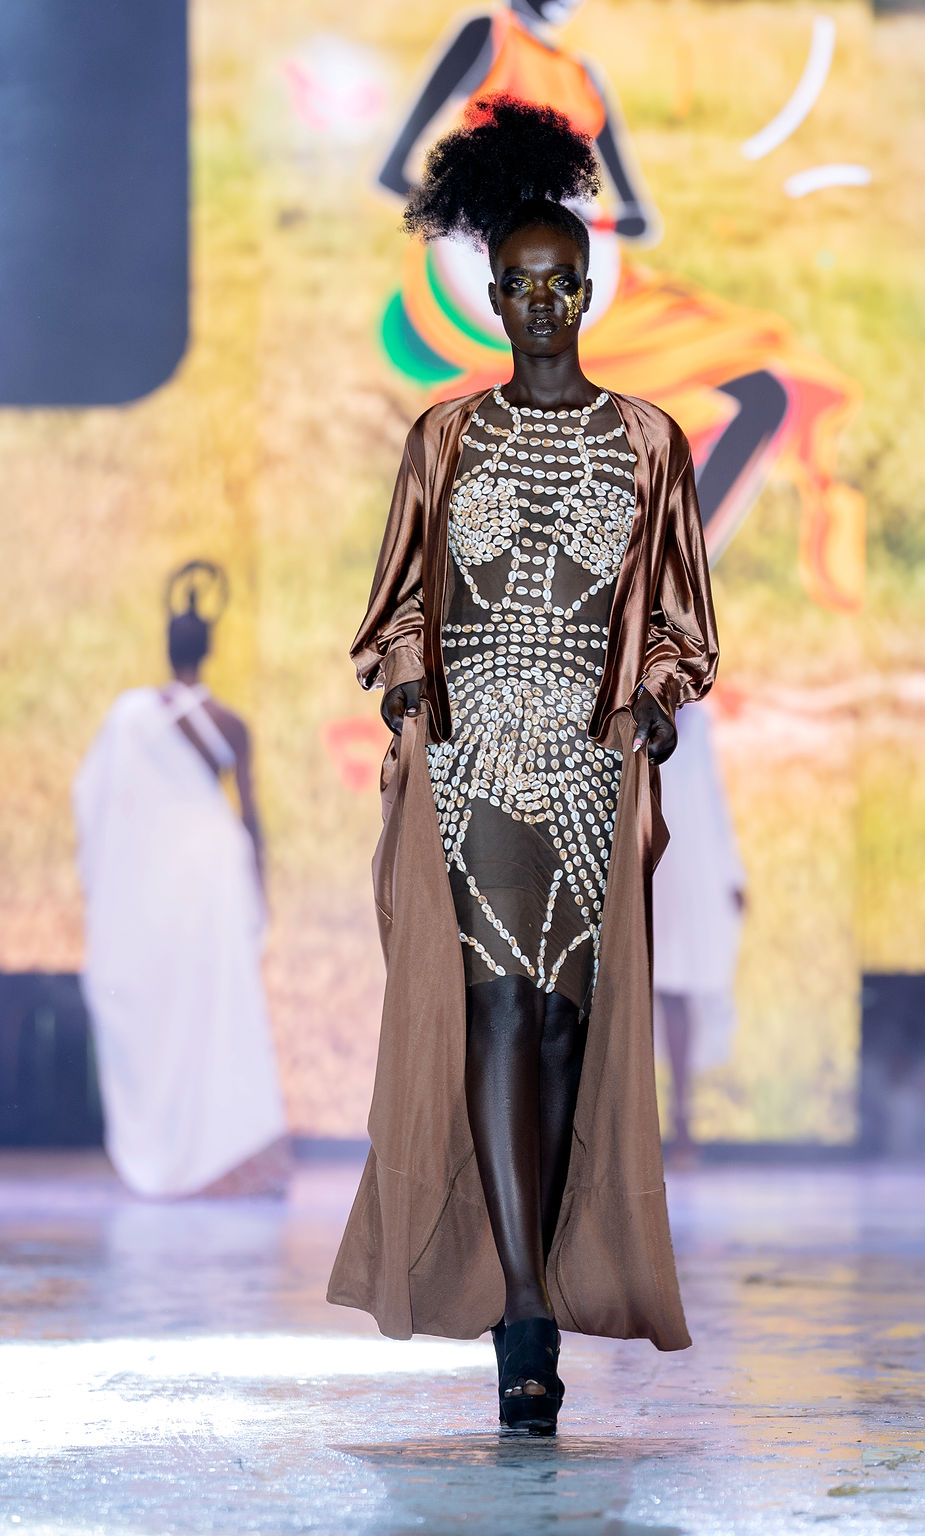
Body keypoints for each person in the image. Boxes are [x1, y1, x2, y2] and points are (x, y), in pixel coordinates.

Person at [327, 99, 718, 1434]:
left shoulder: (651, 442)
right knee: (496, 1006)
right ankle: (525, 1316)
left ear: (588, 290)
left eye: (562, 283)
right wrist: (410, 679)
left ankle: (530, 1267)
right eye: (520, 285)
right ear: (491, 296)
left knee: (561, 1025)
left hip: (594, 770)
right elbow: (394, 606)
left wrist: (654, 702)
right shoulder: (442, 439)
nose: (542, 305)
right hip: (476, 758)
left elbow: (682, 627)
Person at [376, 0, 865, 613]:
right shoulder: (489, 37)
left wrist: (597, 218)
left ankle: (662, 595)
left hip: (599, 296)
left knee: (765, 389)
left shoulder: (583, 78)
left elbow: (638, 217)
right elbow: (393, 173)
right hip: (499, 303)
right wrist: (471, 221)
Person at [73, 561, 290, 1199]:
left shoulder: (131, 716)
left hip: (164, 885)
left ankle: (173, 1146)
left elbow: (96, 799)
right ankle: (220, 1154)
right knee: (214, 1008)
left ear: (168, 646)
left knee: (174, 1005)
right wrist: (259, 886)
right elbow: (250, 818)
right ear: (209, 647)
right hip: (215, 879)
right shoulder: (229, 723)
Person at [653, 700, 746, 1166]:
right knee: (638, 995)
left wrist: (732, 871)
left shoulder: (697, 717)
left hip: (688, 866)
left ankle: (681, 1120)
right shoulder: (624, 701)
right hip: (639, 859)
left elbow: (712, 798)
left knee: (677, 987)